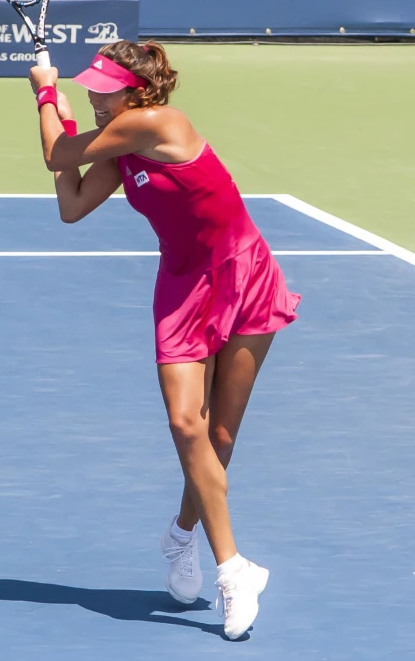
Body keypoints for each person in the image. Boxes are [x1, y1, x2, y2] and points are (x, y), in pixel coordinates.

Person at [28, 40, 300, 640]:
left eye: (106, 89)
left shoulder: (159, 123)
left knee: (220, 436)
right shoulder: (121, 147)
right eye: (91, 89)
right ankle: (234, 572)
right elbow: (71, 201)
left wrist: (46, 93)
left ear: (140, 93)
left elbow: (55, 153)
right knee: (187, 426)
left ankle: (181, 537)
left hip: (244, 275)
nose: (97, 97)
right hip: (182, 288)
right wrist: (68, 121)